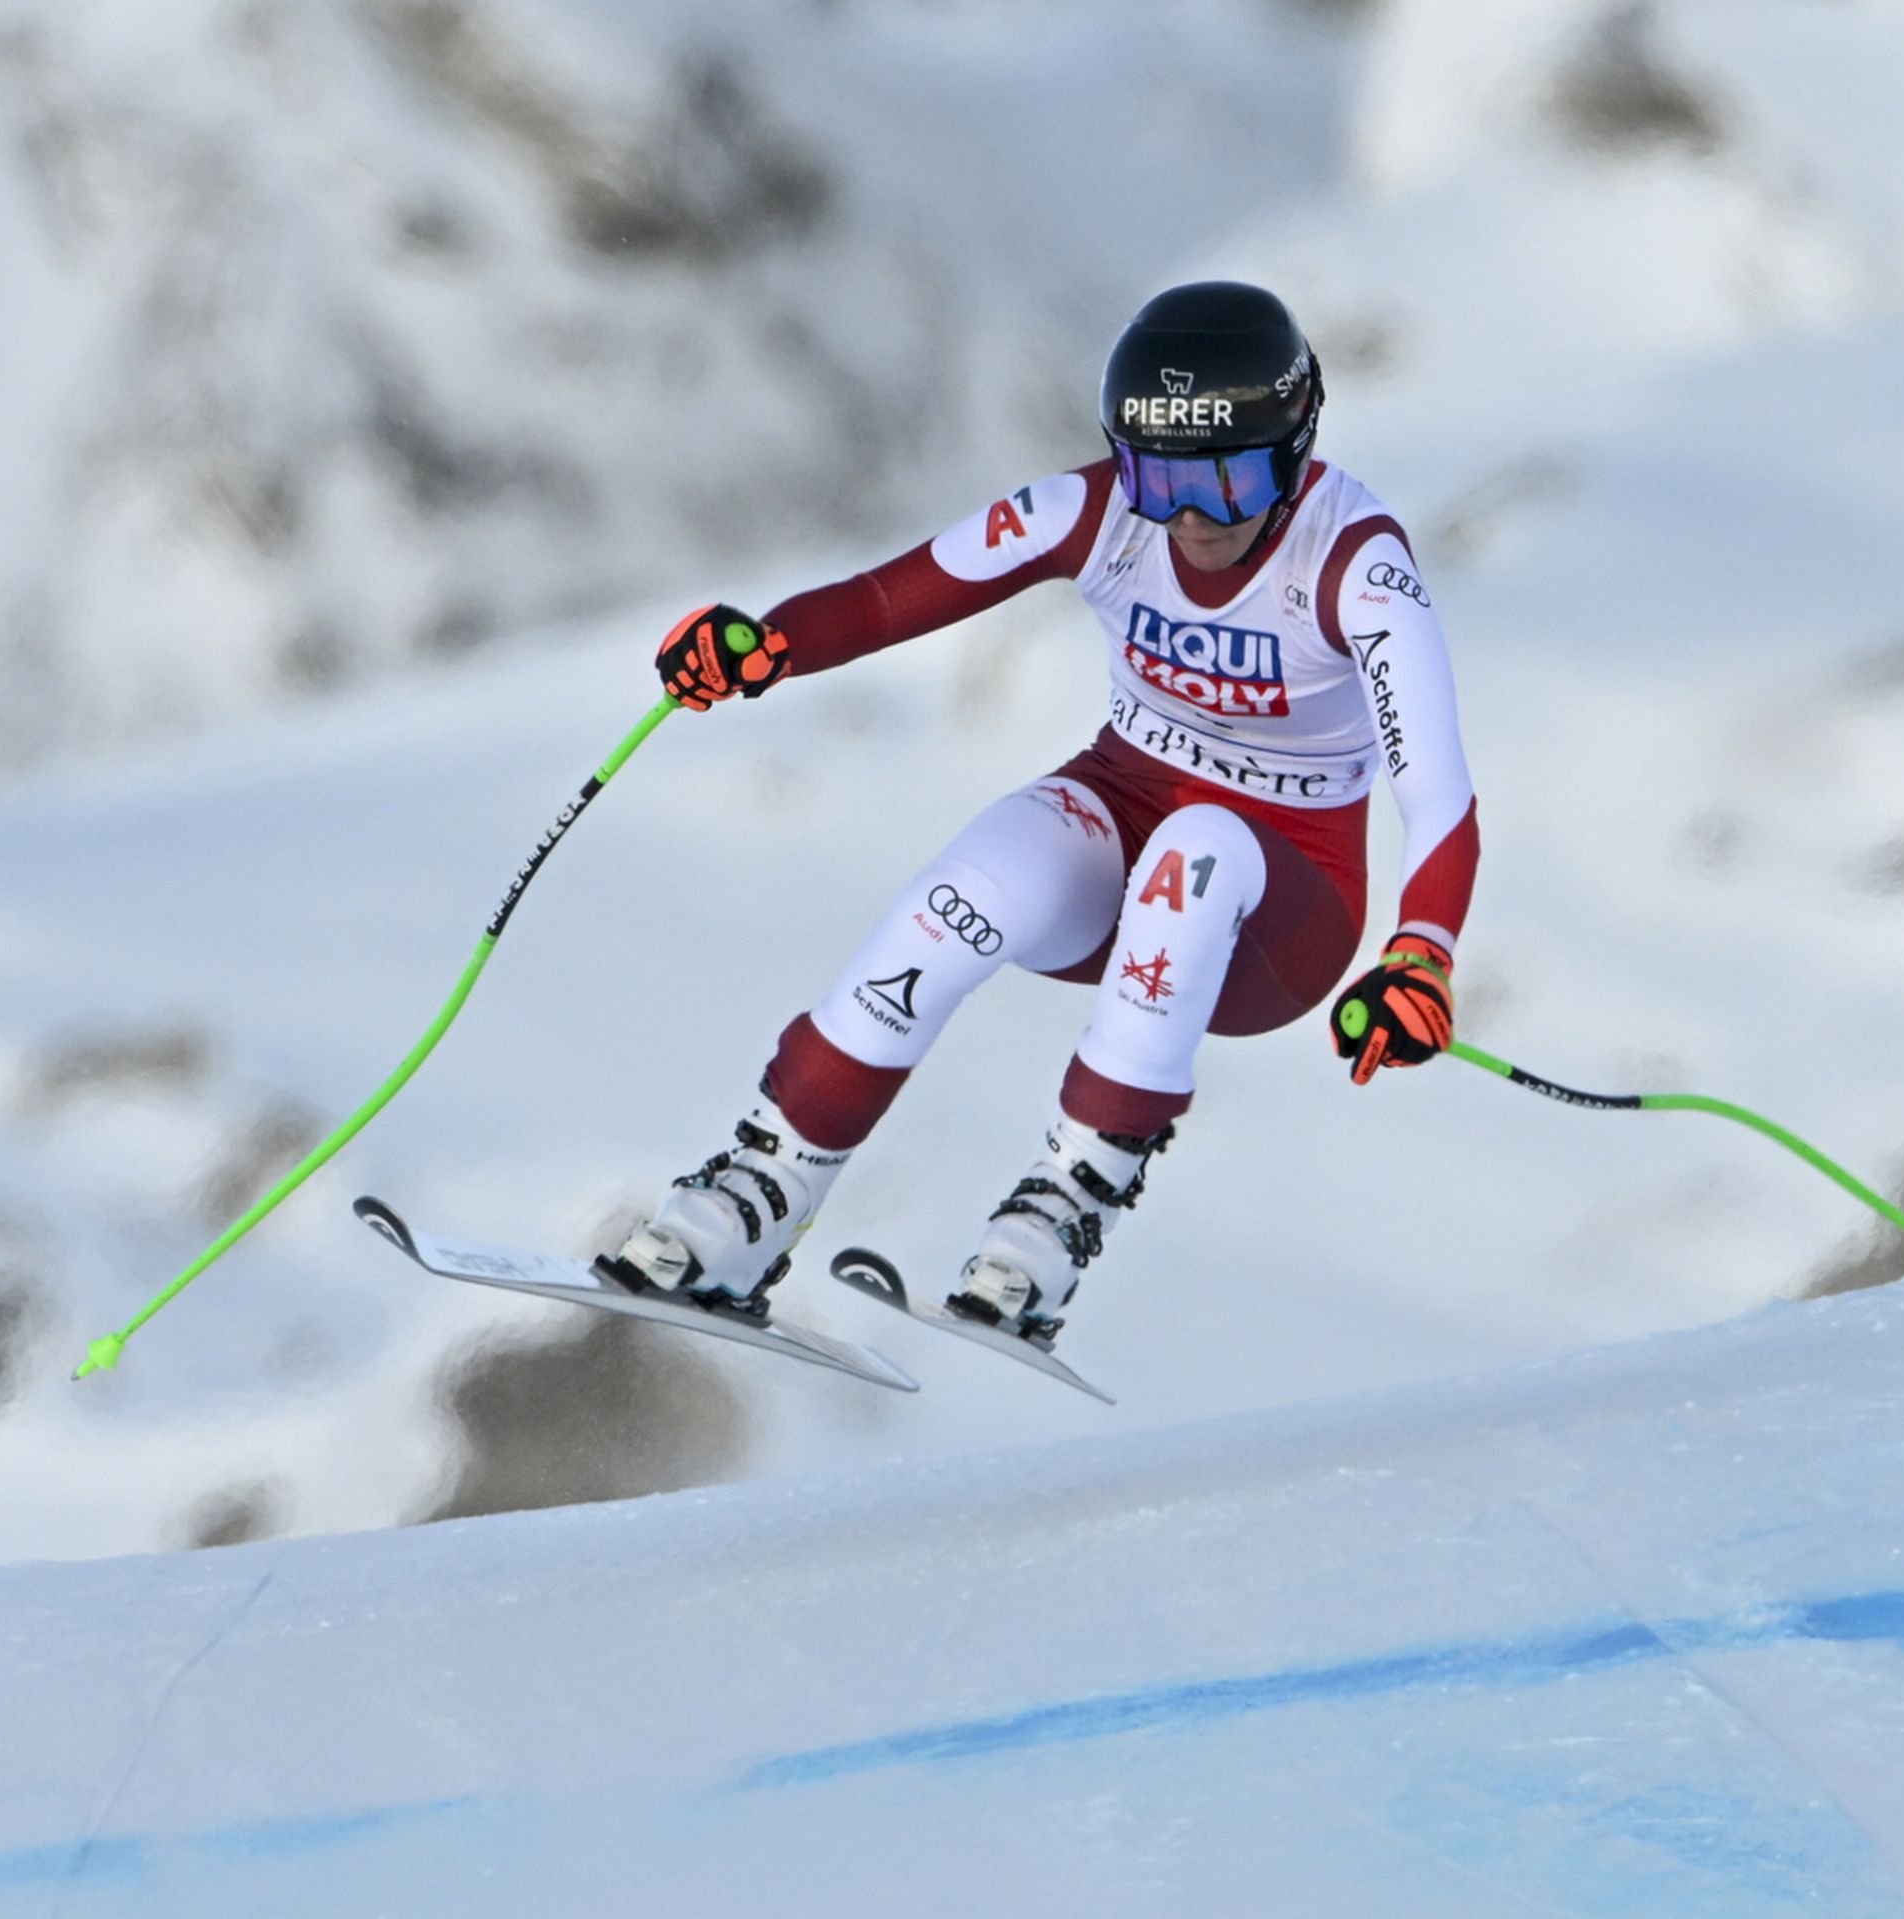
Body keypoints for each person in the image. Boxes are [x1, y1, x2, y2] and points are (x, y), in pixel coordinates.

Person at [606, 281, 1479, 1349]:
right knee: (979, 874)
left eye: (1232, 482)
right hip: (1123, 825)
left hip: (1278, 919)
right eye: (1161, 482)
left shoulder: (1355, 561)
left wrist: (1422, 953)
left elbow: (1434, 788)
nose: (1195, 519)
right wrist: (766, 645)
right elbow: (894, 595)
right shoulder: (1098, 512)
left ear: (1296, 453)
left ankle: (1068, 1204)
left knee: (1199, 850)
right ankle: (762, 1188)